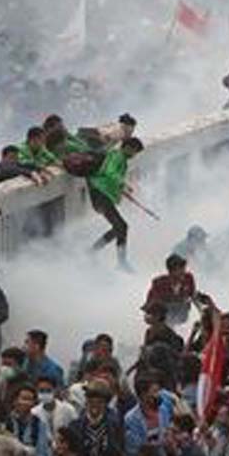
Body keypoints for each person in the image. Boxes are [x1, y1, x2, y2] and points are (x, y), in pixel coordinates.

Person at [87, 136, 145, 270]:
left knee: (120, 227)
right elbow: (110, 172)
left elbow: (110, 178)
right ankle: (120, 262)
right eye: (134, 152)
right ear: (127, 148)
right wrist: (123, 183)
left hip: (103, 195)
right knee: (121, 226)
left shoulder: (120, 158)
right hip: (100, 195)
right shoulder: (118, 156)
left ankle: (93, 251)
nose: (134, 155)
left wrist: (122, 190)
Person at [144, 254, 197, 326]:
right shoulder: (159, 284)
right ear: (171, 271)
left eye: (183, 268)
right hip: (163, 315)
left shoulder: (188, 279)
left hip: (181, 313)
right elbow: (151, 302)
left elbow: (193, 295)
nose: (183, 271)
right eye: (180, 268)